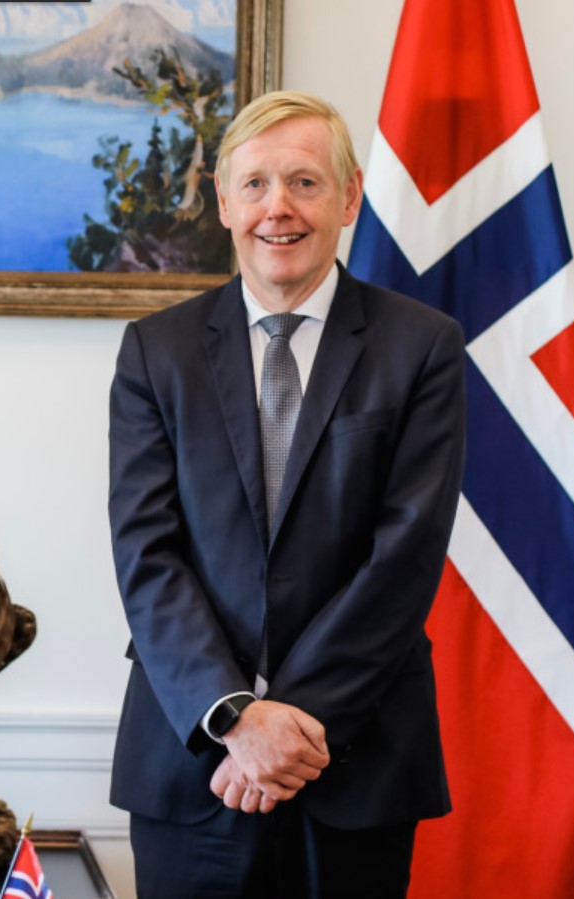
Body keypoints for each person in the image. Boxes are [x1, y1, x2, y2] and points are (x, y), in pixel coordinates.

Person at [107, 91, 466, 898]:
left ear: (349, 197)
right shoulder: (154, 354)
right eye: (258, 183)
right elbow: (147, 556)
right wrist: (236, 716)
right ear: (225, 200)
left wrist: (289, 729)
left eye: (305, 182)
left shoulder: (422, 348)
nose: (280, 208)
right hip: (192, 760)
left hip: (356, 759)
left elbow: (403, 558)